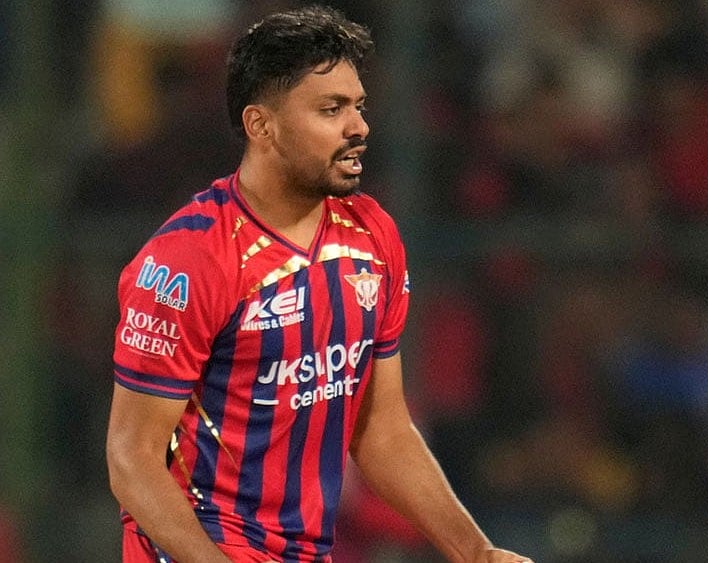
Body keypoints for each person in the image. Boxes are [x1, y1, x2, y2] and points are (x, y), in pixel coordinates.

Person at [105, 6, 532, 562]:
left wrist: (476, 552)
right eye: (331, 109)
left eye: (358, 107)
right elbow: (131, 461)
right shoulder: (189, 261)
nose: (358, 127)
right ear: (262, 126)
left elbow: (381, 428)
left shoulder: (372, 236)